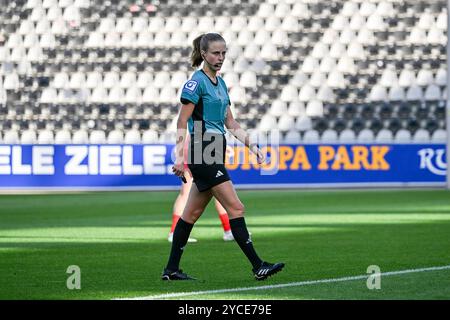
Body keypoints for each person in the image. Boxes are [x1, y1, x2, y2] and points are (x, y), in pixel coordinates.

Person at [162, 33, 284, 281]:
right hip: (201, 149)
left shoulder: (221, 83)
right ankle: (258, 265)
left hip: (214, 148)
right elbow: (182, 120)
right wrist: (179, 157)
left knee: (191, 214)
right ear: (204, 54)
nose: (220, 58)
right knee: (236, 207)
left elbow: (230, 121)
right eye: (216, 53)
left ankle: (171, 269)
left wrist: (252, 146)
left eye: (224, 53)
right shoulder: (196, 83)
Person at [168, 135, 235, 243]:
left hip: (200, 149)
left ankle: (228, 230)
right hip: (199, 150)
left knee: (188, 193)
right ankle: (228, 230)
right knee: (218, 189)